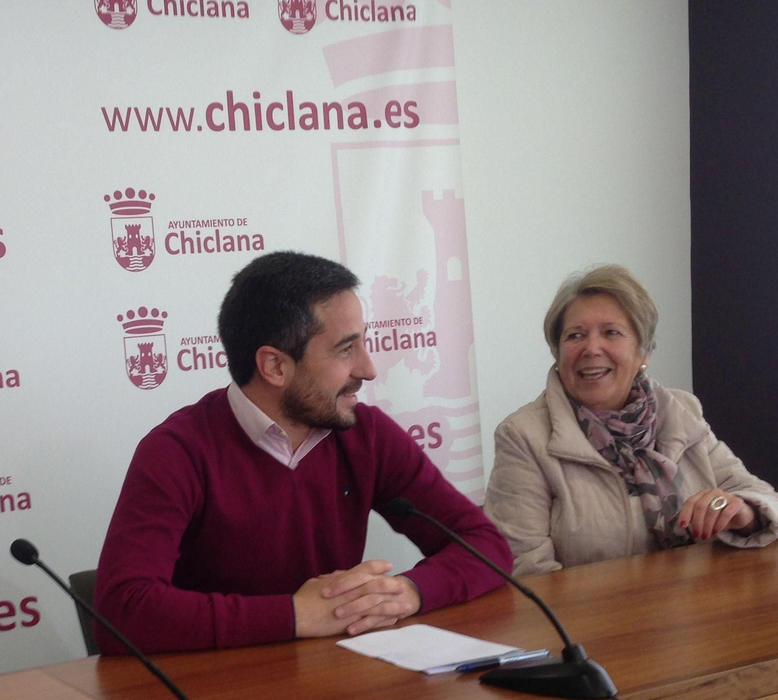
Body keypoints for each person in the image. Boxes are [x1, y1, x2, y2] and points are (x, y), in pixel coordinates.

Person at [93, 250, 512, 654]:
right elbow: (120, 611)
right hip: (217, 688)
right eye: (346, 349)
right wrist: (294, 615)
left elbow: (486, 545)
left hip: (336, 674)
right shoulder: (177, 451)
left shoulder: (366, 435)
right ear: (275, 366)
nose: (368, 369)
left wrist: (404, 593)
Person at [485, 265, 778, 575]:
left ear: (643, 353)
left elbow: (773, 504)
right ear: (558, 352)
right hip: (595, 608)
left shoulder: (680, 410)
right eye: (575, 335)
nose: (591, 348)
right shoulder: (524, 436)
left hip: (700, 600)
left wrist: (744, 511)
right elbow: (525, 570)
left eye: (611, 332)